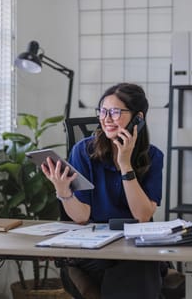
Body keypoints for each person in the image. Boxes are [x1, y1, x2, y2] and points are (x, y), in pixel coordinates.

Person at [41, 83, 163, 299]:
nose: (106, 118)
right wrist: (63, 191)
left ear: (138, 118)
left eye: (115, 112)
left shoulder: (152, 156)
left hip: (134, 247)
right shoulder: (83, 151)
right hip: (94, 249)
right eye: (103, 111)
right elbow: (81, 216)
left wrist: (125, 164)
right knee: (132, 271)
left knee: (136, 265)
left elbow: (143, 216)